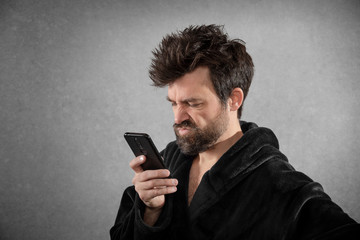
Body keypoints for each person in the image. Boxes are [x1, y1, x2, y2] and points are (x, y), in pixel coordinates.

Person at [110, 24, 359, 239]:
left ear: (233, 99)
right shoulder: (164, 164)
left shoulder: (282, 188)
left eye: (192, 103)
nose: (177, 118)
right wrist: (150, 212)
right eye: (173, 103)